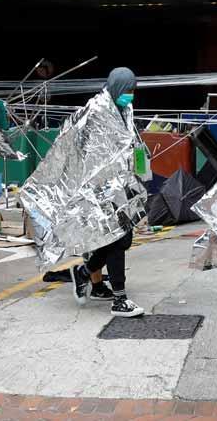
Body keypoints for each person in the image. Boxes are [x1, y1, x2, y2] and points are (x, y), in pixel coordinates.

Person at [69, 67, 145, 318]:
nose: (131, 95)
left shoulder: (123, 109)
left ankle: (83, 273)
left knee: (123, 239)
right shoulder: (97, 111)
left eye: (133, 91)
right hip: (100, 188)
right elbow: (83, 148)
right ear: (116, 88)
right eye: (127, 91)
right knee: (116, 239)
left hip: (120, 185)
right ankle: (120, 299)